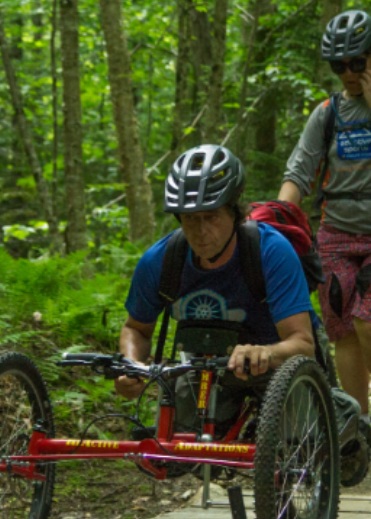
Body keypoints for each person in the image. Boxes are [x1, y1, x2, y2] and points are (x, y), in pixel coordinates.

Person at [277, 9, 371, 446]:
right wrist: (279, 224)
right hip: (335, 233)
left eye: (356, 62)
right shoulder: (326, 113)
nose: (348, 73)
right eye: (339, 66)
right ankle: (356, 425)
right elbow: (300, 170)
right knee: (342, 329)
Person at [116, 145, 316, 442]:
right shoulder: (161, 260)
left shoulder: (270, 251)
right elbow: (136, 329)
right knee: (170, 451)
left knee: (303, 445)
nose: (200, 231)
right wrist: (131, 365)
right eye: (190, 219)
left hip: (276, 361)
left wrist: (265, 352)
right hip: (204, 368)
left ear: (234, 214)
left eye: (211, 217)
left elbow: (303, 344)